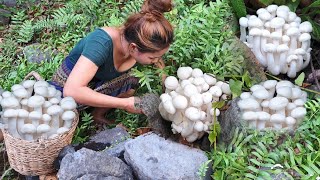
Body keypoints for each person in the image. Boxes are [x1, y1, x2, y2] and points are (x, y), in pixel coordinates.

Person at [47, 0, 174, 124]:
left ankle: (97, 114)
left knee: (134, 80)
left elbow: (156, 57)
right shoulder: (101, 43)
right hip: (67, 87)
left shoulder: (136, 41)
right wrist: (125, 103)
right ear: (133, 48)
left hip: (98, 82)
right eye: (152, 58)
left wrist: (164, 77)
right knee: (57, 114)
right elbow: (72, 91)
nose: (155, 61)